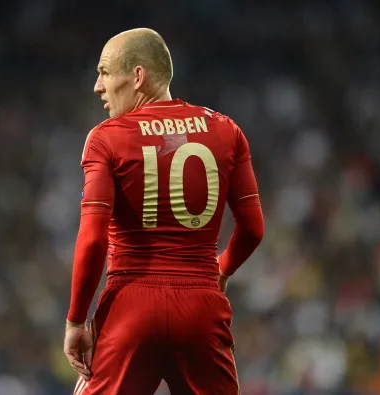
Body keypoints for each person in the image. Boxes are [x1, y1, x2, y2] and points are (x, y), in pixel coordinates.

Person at [64, 27, 264, 395]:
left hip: (130, 305)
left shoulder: (106, 137)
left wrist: (76, 320)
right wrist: (221, 269)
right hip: (201, 307)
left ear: (137, 76)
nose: (98, 86)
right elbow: (253, 229)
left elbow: (92, 240)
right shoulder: (226, 131)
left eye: (105, 72)